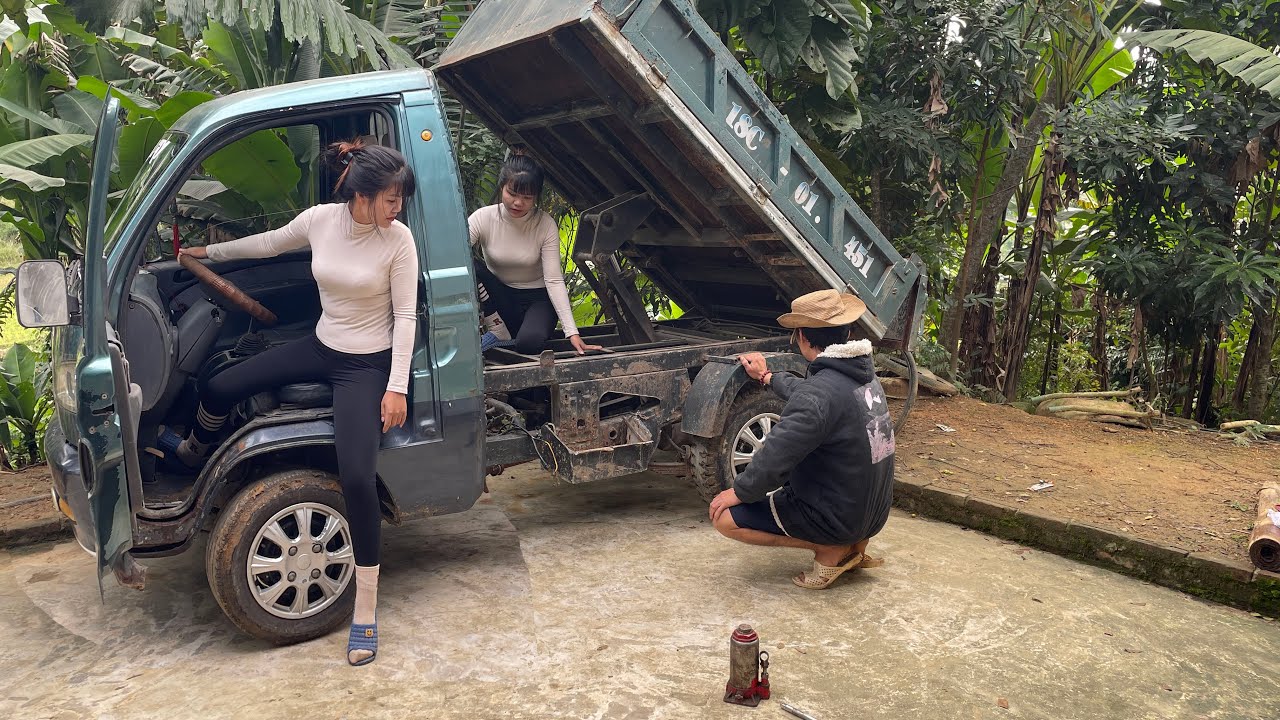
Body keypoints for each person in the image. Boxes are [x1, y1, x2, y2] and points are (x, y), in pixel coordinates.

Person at [174, 138, 418, 665]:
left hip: (366, 365)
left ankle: (367, 609)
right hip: (322, 345)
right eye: (391, 199)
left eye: (401, 200)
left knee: (357, 476)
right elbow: (266, 245)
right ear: (362, 194)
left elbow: (406, 318)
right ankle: (195, 449)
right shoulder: (320, 221)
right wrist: (205, 254)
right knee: (219, 385)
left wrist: (395, 385)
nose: (398, 208)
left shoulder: (399, 241)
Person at [708, 289, 895, 589]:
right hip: (873, 515)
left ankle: (829, 549)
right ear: (846, 333)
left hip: (837, 518)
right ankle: (856, 547)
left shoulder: (819, 394)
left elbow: (774, 459)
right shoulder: (865, 378)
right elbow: (810, 396)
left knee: (725, 517)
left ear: (802, 337)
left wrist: (740, 491)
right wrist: (767, 376)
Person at [468, 154, 602, 355]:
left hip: (538, 299)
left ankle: (505, 338)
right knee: (470, 265)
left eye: (527, 198)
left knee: (528, 343)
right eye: (512, 193)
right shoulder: (482, 218)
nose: (518, 202)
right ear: (501, 187)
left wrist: (572, 332)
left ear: (536, 197)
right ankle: (497, 329)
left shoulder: (545, 224)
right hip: (500, 297)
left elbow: (554, 280)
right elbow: (451, 255)